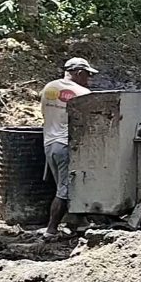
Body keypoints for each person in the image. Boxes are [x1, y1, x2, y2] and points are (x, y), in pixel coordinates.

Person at [40, 57, 97, 240]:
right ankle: (51, 230)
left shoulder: (49, 87)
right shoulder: (82, 92)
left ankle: (79, 223)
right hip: (67, 145)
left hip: (50, 143)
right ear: (79, 73)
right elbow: (89, 122)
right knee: (65, 190)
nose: (89, 80)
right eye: (87, 75)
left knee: (66, 186)